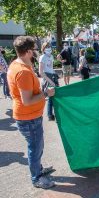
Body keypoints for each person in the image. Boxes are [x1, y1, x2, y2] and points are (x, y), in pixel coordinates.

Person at [7, 36, 55, 189]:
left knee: (37, 146)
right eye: (34, 49)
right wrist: (47, 93)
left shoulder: (17, 64)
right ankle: (37, 178)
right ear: (27, 52)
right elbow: (27, 100)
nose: (36, 52)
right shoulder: (23, 72)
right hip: (28, 117)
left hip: (29, 116)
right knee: (35, 148)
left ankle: (38, 170)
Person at [39, 42, 59, 121]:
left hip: (52, 76)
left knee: (55, 95)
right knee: (51, 96)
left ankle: (55, 113)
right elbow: (41, 72)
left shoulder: (51, 56)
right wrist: (50, 81)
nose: (49, 48)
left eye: (49, 47)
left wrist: (55, 74)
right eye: (47, 47)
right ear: (43, 49)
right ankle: (50, 115)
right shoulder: (42, 57)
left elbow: (51, 67)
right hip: (47, 78)